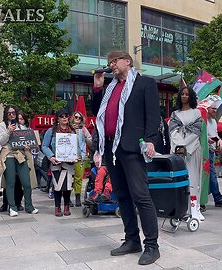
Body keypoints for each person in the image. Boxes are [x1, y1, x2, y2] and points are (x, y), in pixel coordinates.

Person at [92, 51, 160, 265]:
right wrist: (97, 87)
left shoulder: (145, 84)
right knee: (121, 195)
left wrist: (150, 140)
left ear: (127, 61)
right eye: (109, 62)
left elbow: (153, 115)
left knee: (140, 195)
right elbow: (97, 113)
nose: (111, 65)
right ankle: (132, 239)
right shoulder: (110, 88)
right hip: (112, 147)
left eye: (114, 61)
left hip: (132, 147)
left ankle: (152, 245)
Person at [0, 105, 38, 217]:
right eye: (9, 113)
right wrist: (8, 131)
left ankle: (29, 205)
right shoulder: (2, 126)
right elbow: (1, 142)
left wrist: (27, 146)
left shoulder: (21, 127)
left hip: (21, 155)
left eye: (13, 113)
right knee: (10, 182)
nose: (12, 115)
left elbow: (28, 141)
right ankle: (12, 207)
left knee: (26, 183)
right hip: (8, 155)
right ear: (6, 114)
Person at [169, 87, 205, 220]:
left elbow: (196, 132)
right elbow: (173, 131)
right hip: (178, 152)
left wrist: (185, 147)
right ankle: (181, 209)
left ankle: (195, 209)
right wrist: (179, 147)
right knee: (180, 180)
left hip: (193, 150)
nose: (184, 96)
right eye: (182, 94)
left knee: (194, 179)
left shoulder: (197, 113)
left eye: (187, 94)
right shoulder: (174, 114)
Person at [41, 108, 81, 217]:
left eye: (66, 116)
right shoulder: (51, 131)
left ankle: (67, 206)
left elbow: (75, 146)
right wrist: (51, 156)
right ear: (57, 118)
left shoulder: (72, 130)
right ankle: (57, 207)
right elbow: (44, 146)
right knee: (57, 185)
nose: (64, 118)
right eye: (61, 116)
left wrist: (76, 156)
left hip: (69, 162)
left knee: (68, 185)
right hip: (56, 162)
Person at [206, 101, 222, 208]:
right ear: (207, 109)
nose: (215, 111)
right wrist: (207, 139)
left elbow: (215, 134)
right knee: (211, 175)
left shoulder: (213, 122)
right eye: (213, 109)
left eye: (216, 109)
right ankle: (217, 198)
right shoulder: (203, 121)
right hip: (204, 151)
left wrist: (219, 140)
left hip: (211, 151)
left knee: (211, 175)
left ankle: (213, 197)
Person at [70, 111, 93, 207]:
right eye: (76, 117)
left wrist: (86, 137)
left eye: (79, 118)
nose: (77, 119)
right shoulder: (68, 128)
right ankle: (67, 198)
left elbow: (91, 143)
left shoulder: (84, 129)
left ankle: (78, 197)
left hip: (80, 157)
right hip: (69, 157)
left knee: (78, 178)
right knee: (68, 178)